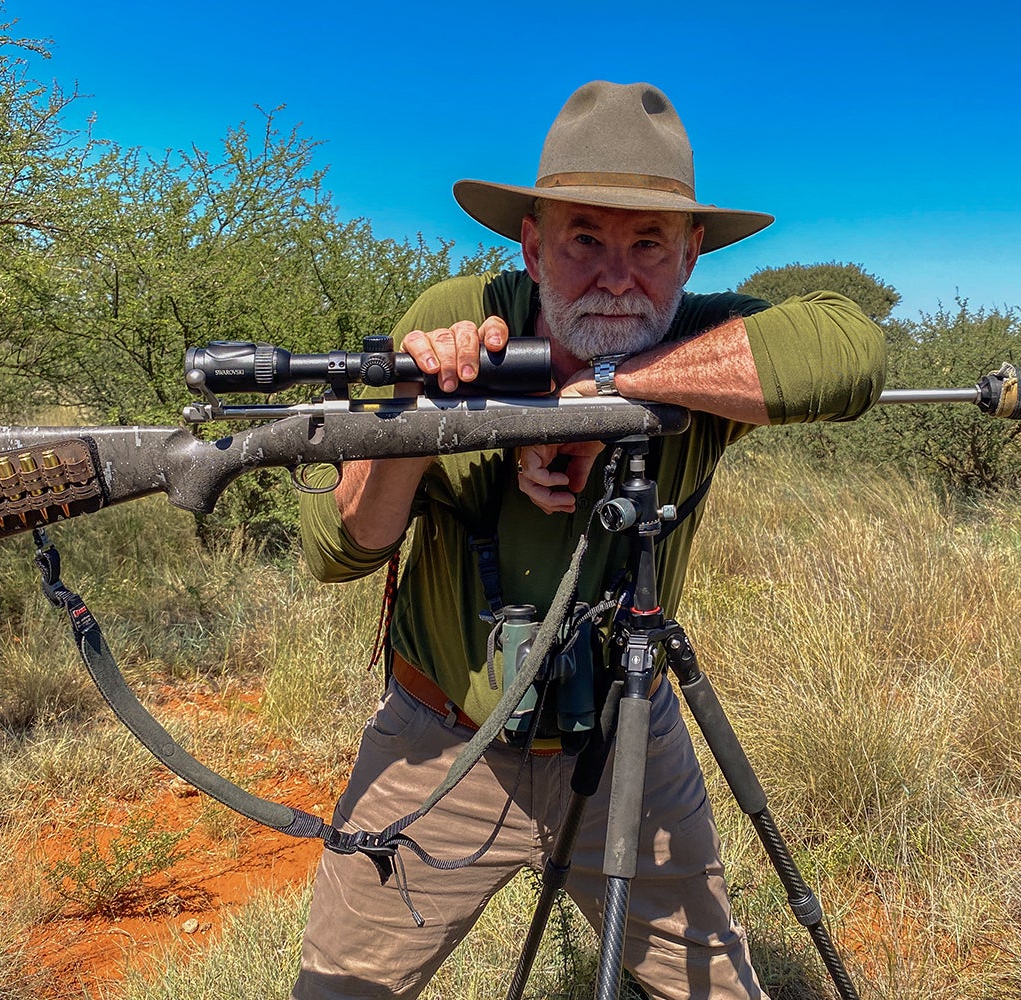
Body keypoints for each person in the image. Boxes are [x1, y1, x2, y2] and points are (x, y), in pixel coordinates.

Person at [292, 80, 885, 1000]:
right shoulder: (459, 316)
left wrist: (605, 392)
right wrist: (424, 412)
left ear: (690, 254)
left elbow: (851, 352)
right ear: (532, 245)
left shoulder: (699, 335)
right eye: (583, 240)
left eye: (648, 243)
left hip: (629, 739)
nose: (617, 277)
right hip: (439, 740)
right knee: (338, 992)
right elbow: (338, 549)